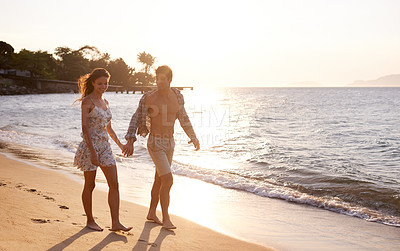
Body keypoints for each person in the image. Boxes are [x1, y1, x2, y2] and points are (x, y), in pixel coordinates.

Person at [123, 65, 200, 230]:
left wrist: (193, 136)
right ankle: (166, 219)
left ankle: (152, 213)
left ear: (170, 80)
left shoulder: (177, 98)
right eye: (157, 79)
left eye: (162, 79)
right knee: (168, 179)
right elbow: (136, 118)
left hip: (170, 143)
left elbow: (184, 118)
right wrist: (130, 139)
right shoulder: (148, 98)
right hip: (155, 143)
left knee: (159, 180)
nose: (159, 82)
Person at [74, 68, 132, 232]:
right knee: (90, 185)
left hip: (105, 147)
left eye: (106, 83)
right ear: (93, 83)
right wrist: (92, 152)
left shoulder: (105, 102)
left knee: (114, 184)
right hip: (90, 146)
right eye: (100, 83)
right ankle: (90, 220)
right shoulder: (87, 102)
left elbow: (109, 128)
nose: (103, 86)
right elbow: (85, 129)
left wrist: (120, 145)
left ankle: (115, 222)